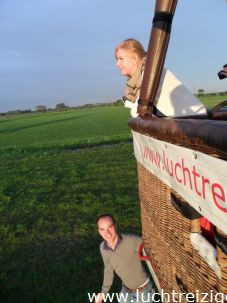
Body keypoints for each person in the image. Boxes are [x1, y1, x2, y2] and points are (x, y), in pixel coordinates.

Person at [115, 38, 207, 118]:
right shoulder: (139, 77)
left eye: (121, 58)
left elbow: (138, 110)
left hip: (194, 121)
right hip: (183, 121)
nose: (117, 64)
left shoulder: (150, 72)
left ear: (135, 58)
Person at [95, 214, 154, 303]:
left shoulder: (132, 240)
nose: (107, 233)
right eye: (103, 230)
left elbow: (153, 252)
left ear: (115, 226)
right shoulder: (103, 248)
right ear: (99, 231)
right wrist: (103, 293)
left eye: (110, 227)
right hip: (126, 290)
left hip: (144, 291)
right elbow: (108, 269)